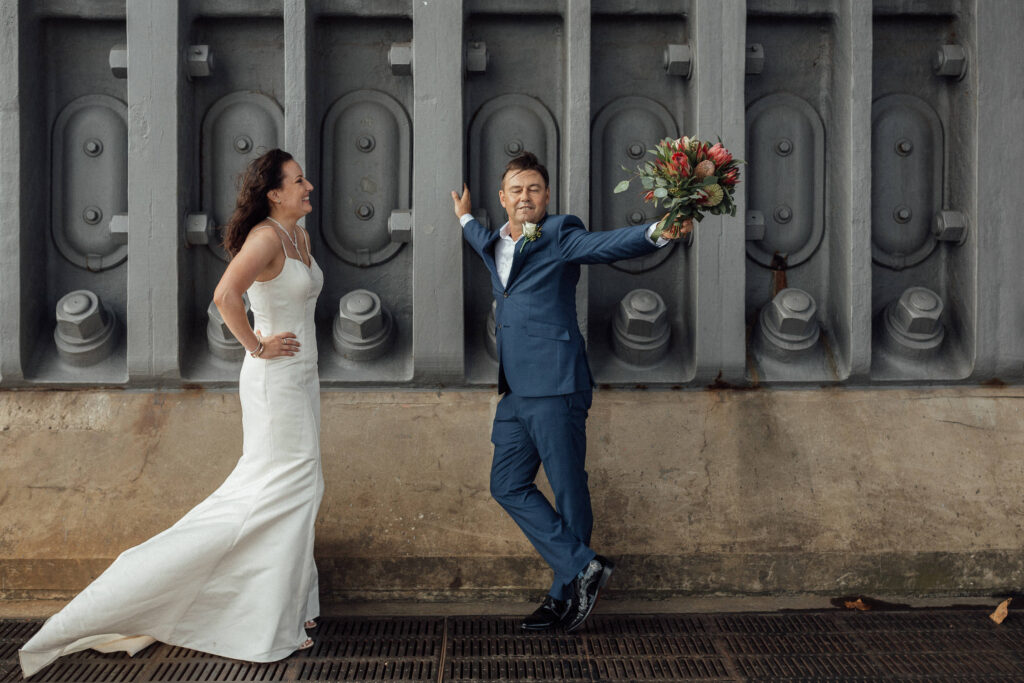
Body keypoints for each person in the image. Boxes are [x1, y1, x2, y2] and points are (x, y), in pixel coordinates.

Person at [19, 149, 324, 676]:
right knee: (284, 491)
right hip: (274, 382)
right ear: (274, 193)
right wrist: (256, 346)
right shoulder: (266, 238)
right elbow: (226, 295)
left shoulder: (300, 235)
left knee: (295, 490)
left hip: (302, 379)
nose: (309, 187)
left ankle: (292, 604)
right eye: (298, 181)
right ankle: (238, 611)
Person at [451, 152, 689, 633]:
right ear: (502, 198)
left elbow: (605, 246)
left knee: (566, 487)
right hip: (516, 390)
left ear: (546, 196)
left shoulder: (557, 234)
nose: (525, 197)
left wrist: (657, 233)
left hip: (558, 382)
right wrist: (462, 217)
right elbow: (477, 234)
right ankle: (581, 566)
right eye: (516, 189)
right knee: (507, 485)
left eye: (534, 189)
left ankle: (565, 594)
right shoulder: (492, 241)